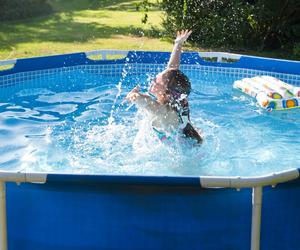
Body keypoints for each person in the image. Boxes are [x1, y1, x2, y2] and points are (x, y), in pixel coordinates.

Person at [125, 30, 203, 144]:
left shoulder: (164, 110)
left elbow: (145, 101)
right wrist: (178, 43)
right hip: (186, 140)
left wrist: (133, 95)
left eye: (157, 80)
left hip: (179, 154)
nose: (154, 79)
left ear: (165, 92)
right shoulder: (177, 99)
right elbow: (172, 68)